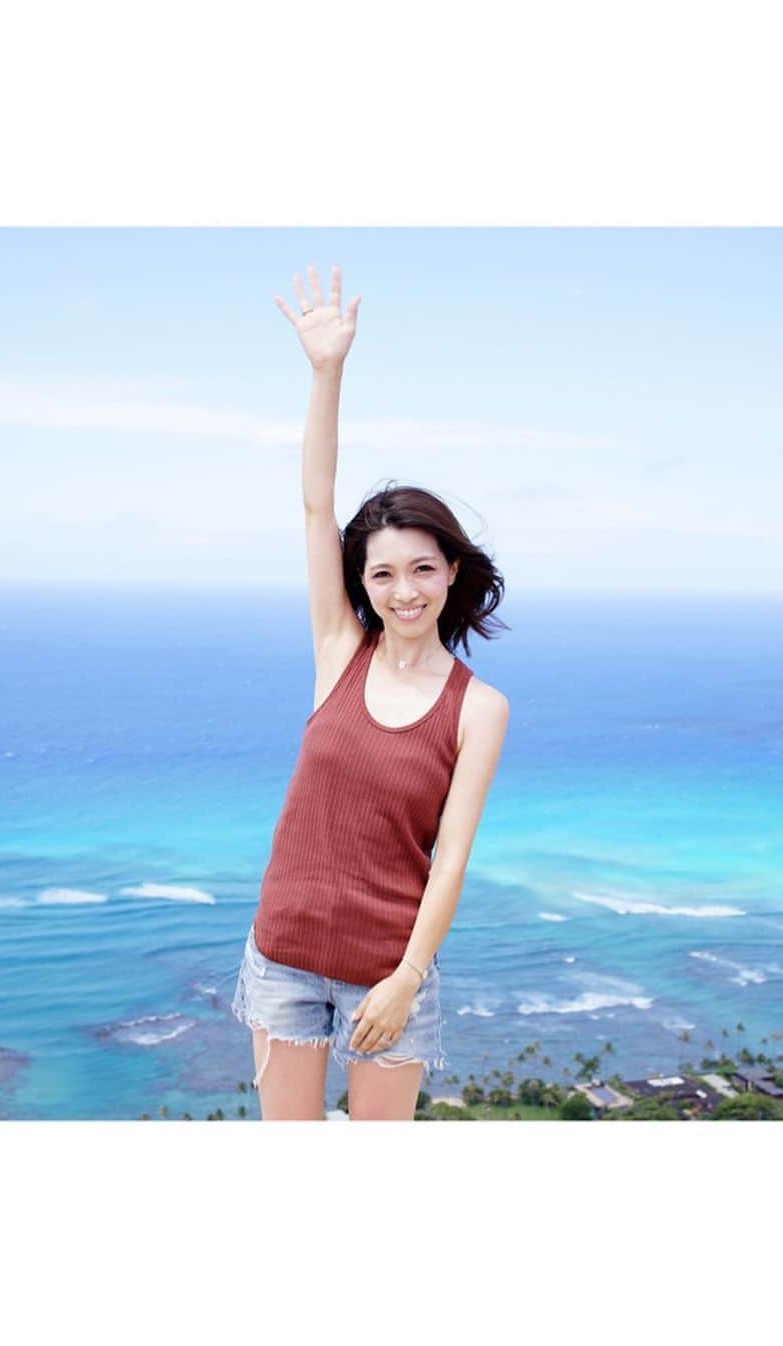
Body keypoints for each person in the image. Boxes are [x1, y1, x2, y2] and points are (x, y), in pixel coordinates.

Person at [230, 263, 510, 1121]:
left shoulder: (478, 707)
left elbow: (450, 858)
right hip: (282, 955)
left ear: (452, 573)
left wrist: (407, 980)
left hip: (391, 971)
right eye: (383, 573)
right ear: (364, 582)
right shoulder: (337, 653)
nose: (404, 590)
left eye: (423, 568)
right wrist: (327, 372)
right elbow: (317, 508)